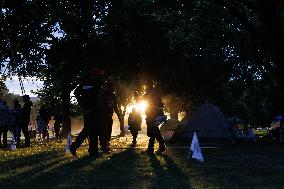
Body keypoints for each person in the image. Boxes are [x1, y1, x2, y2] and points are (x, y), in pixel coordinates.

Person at [70, 68, 107, 158]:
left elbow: (76, 92)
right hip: (94, 109)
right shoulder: (98, 83)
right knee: (90, 130)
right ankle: (76, 147)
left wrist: (82, 104)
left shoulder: (85, 83)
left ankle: (92, 151)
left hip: (88, 109)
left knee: (92, 130)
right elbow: (100, 97)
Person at [143, 80, 166, 154]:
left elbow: (144, 99)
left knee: (154, 131)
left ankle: (161, 147)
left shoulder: (151, 93)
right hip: (153, 114)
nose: (145, 87)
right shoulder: (153, 92)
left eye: (146, 85)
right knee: (152, 132)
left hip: (153, 115)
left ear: (148, 85)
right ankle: (151, 149)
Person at [103, 81, 122, 152]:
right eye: (111, 87)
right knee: (104, 131)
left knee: (108, 130)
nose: (112, 88)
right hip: (103, 116)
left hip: (109, 116)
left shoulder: (113, 96)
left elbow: (115, 107)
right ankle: (104, 146)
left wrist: (119, 116)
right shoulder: (103, 94)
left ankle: (107, 144)